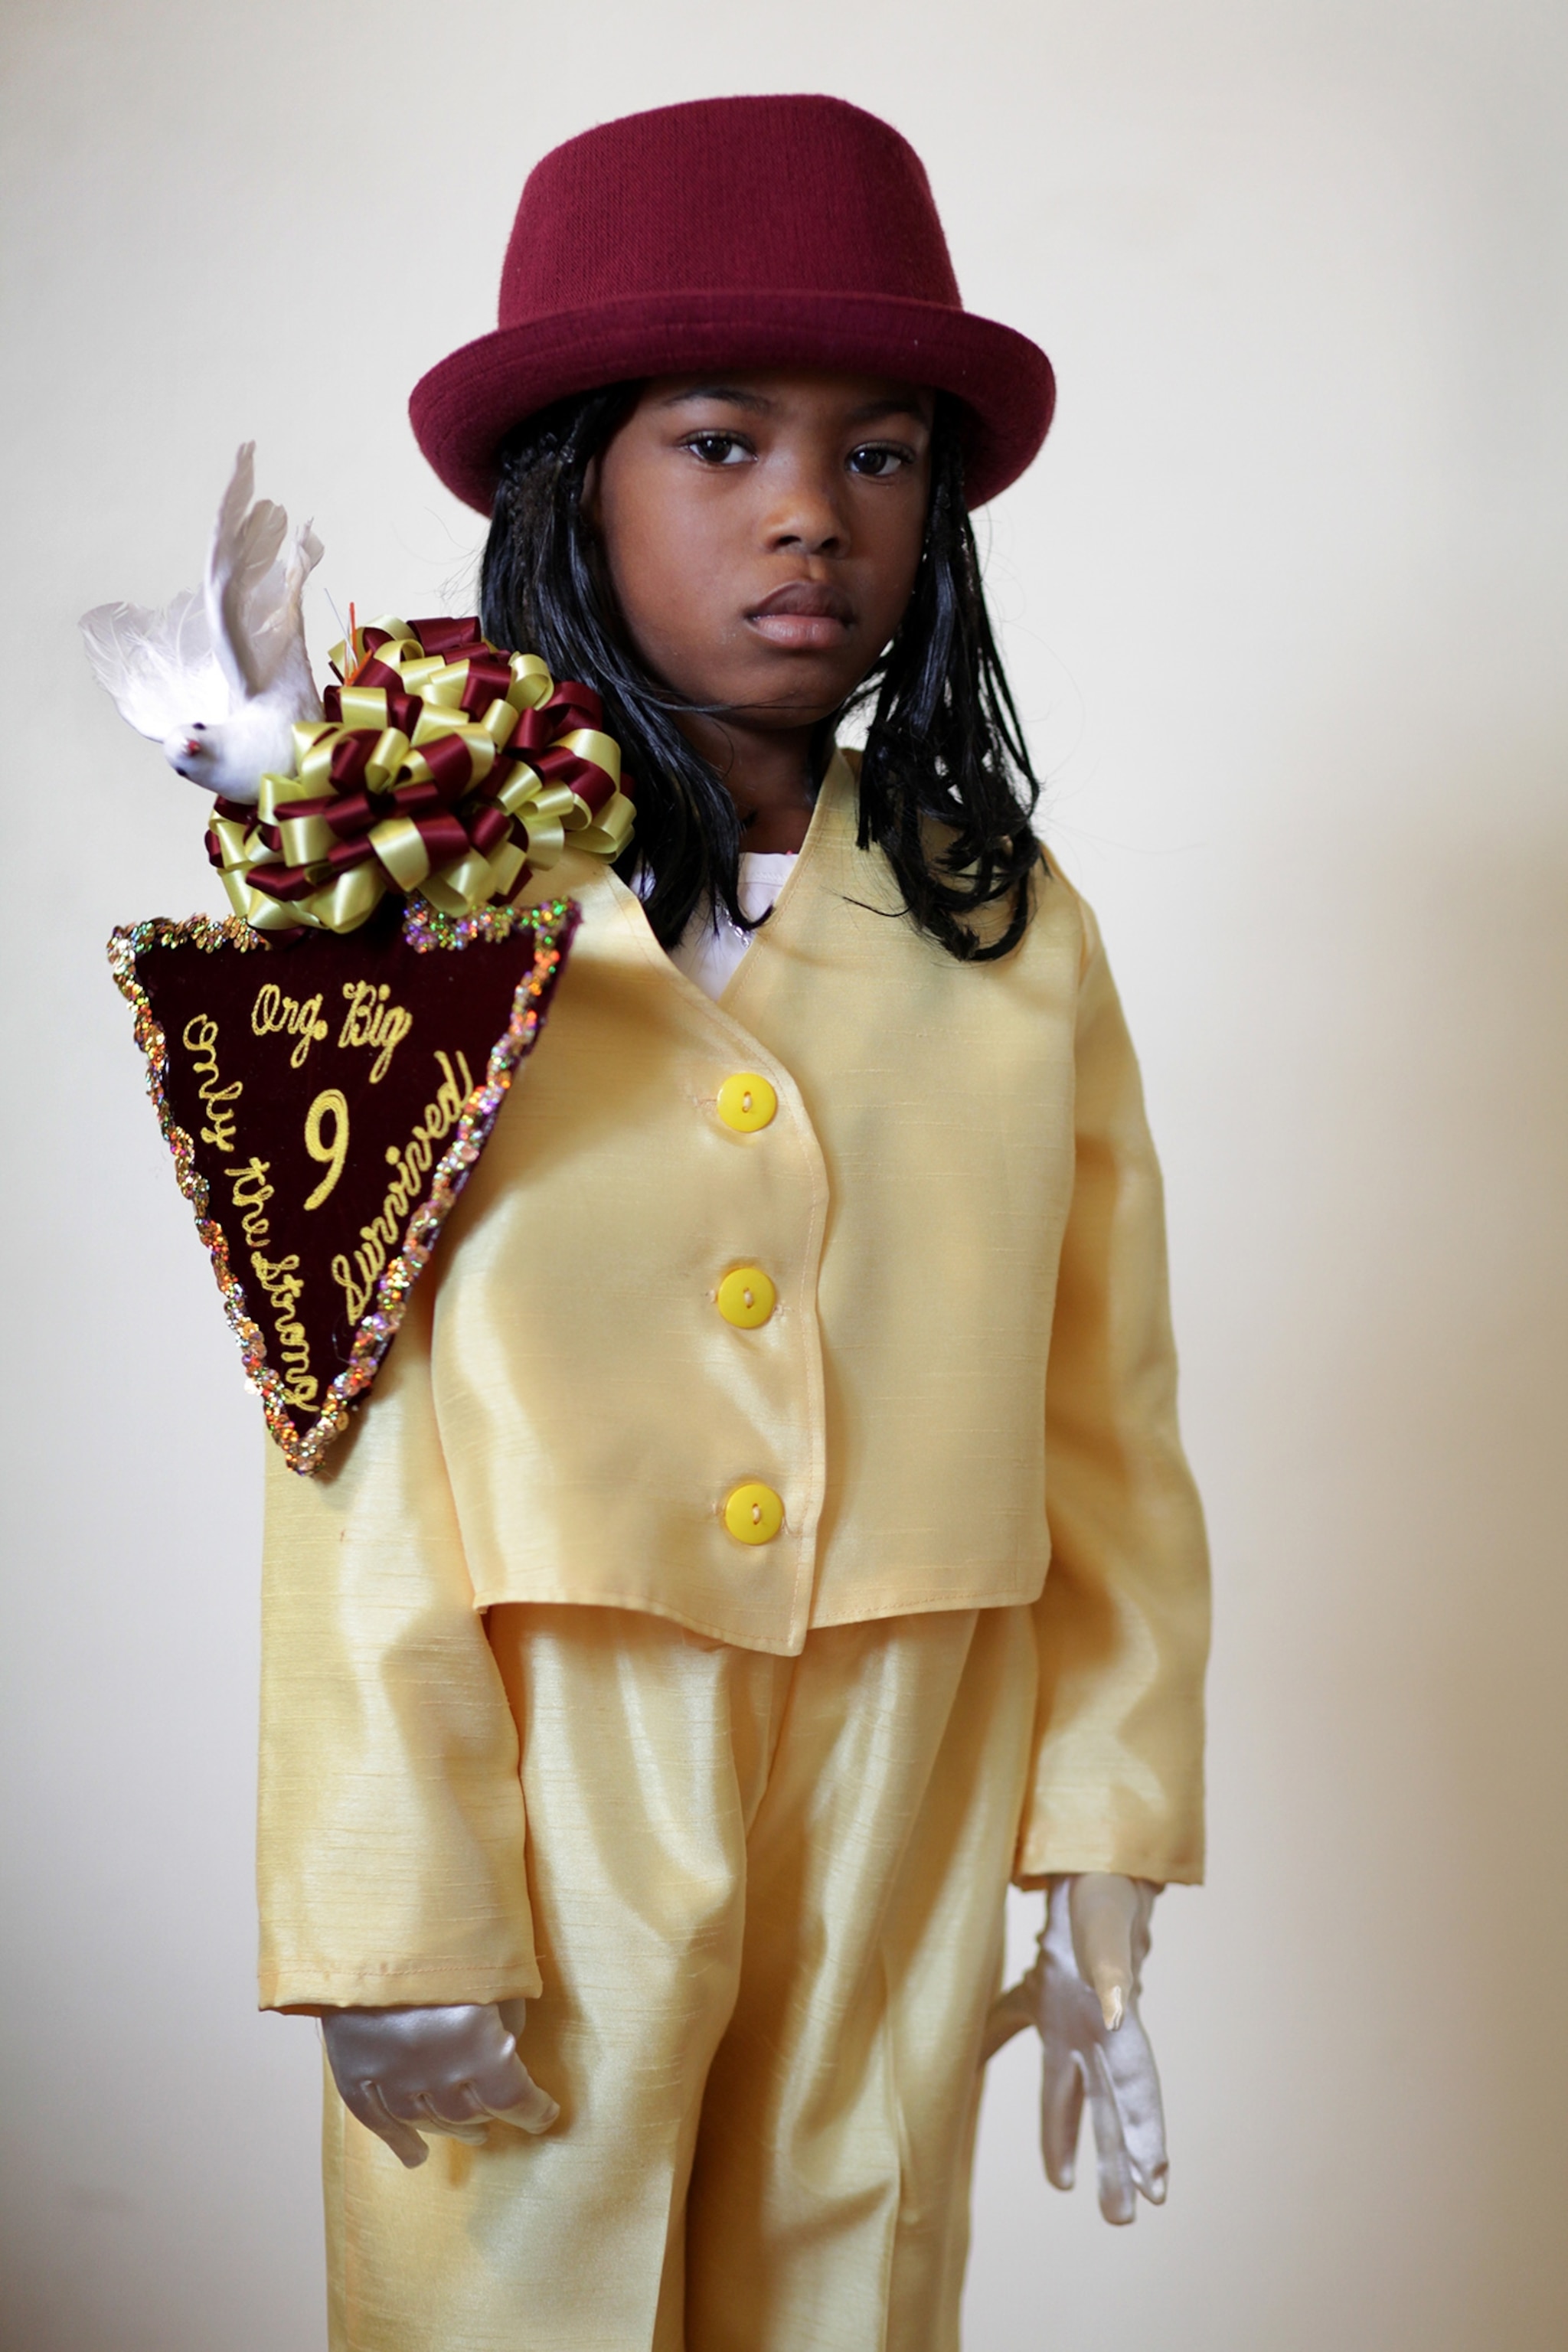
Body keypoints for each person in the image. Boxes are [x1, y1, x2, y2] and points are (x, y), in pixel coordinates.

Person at [258, 93, 1210, 2352]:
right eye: (716, 443)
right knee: (513, 2281)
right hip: (541, 1730)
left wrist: (1102, 1830)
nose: (810, 513)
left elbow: (1109, 1405)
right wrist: (386, 1914)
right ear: (567, 479)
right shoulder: (403, 915)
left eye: (879, 457)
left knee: (854, 2273)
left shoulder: (1005, 922)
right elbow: (343, 1458)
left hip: (918, 1712)